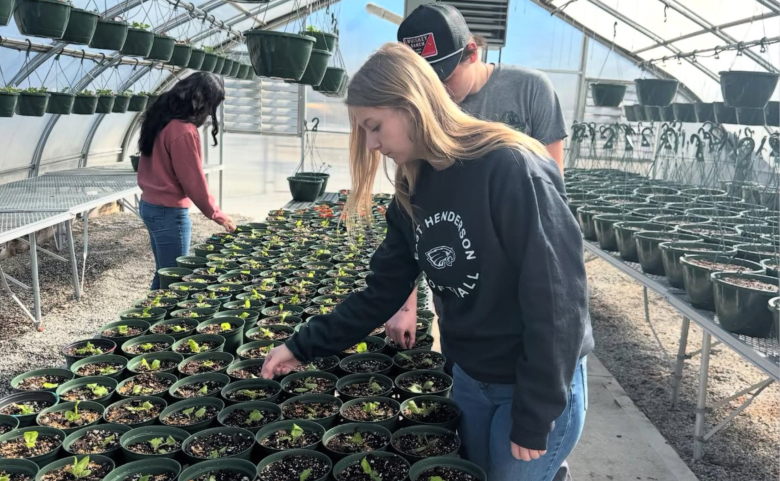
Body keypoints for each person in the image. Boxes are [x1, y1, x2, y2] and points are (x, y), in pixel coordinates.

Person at [261, 42, 592, 481]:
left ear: (412, 104)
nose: (372, 144)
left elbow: (559, 301)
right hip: (472, 379)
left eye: (374, 126)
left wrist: (535, 415)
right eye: (364, 132)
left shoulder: (511, 167)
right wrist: (300, 346)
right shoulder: (413, 188)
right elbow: (382, 291)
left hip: (533, 383)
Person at [387, 3, 570, 383]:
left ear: (473, 51)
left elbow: (553, 199)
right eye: (423, 84)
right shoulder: (421, 111)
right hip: (459, 299)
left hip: (515, 296)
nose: (438, 94)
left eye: (443, 78)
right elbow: (415, 216)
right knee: (467, 393)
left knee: (521, 398)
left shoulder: (529, 90)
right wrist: (404, 304)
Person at [137, 72, 236, 290]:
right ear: (201, 101)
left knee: (164, 273)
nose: (210, 112)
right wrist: (217, 214)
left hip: (149, 205)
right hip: (168, 213)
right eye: (212, 105)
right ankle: (157, 320)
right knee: (174, 279)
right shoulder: (183, 130)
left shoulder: (160, 119)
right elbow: (193, 181)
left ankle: (147, 318)